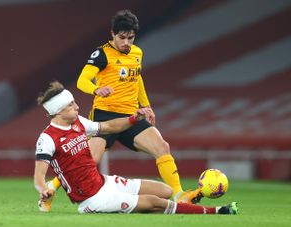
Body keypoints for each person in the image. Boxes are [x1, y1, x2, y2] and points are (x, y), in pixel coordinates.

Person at [43, 9, 203, 211]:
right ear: (112, 34)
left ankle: (180, 195)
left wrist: (146, 105)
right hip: (105, 116)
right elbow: (82, 80)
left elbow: (138, 80)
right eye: (122, 37)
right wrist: (96, 89)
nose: (126, 42)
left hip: (131, 116)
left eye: (131, 37)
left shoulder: (137, 53)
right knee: (89, 161)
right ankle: (50, 189)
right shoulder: (101, 54)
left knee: (162, 147)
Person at [34, 81, 239, 215]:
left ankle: (171, 204)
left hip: (105, 182)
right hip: (93, 199)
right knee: (153, 203)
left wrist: (134, 118)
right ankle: (216, 211)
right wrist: (43, 189)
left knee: (165, 191)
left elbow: (108, 126)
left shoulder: (78, 122)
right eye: (71, 105)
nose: (77, 107)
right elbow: (38, 175)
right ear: (58, 112)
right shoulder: (47, 138)